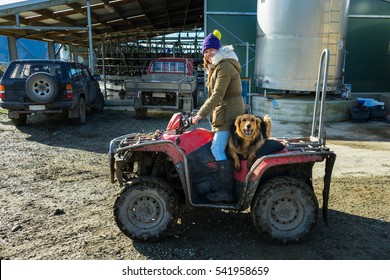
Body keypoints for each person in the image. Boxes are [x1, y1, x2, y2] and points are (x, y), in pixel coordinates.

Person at [192, 30, 245, 202]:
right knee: (215, 147)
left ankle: (226, 191)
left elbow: (217, 95)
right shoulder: (216, 67)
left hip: (229, 114)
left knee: (216, 149)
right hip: (223, 114)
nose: (208, 54)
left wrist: (200, 115)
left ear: (218, 49)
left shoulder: (225, 66)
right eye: (205, 52)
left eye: (211, 50)